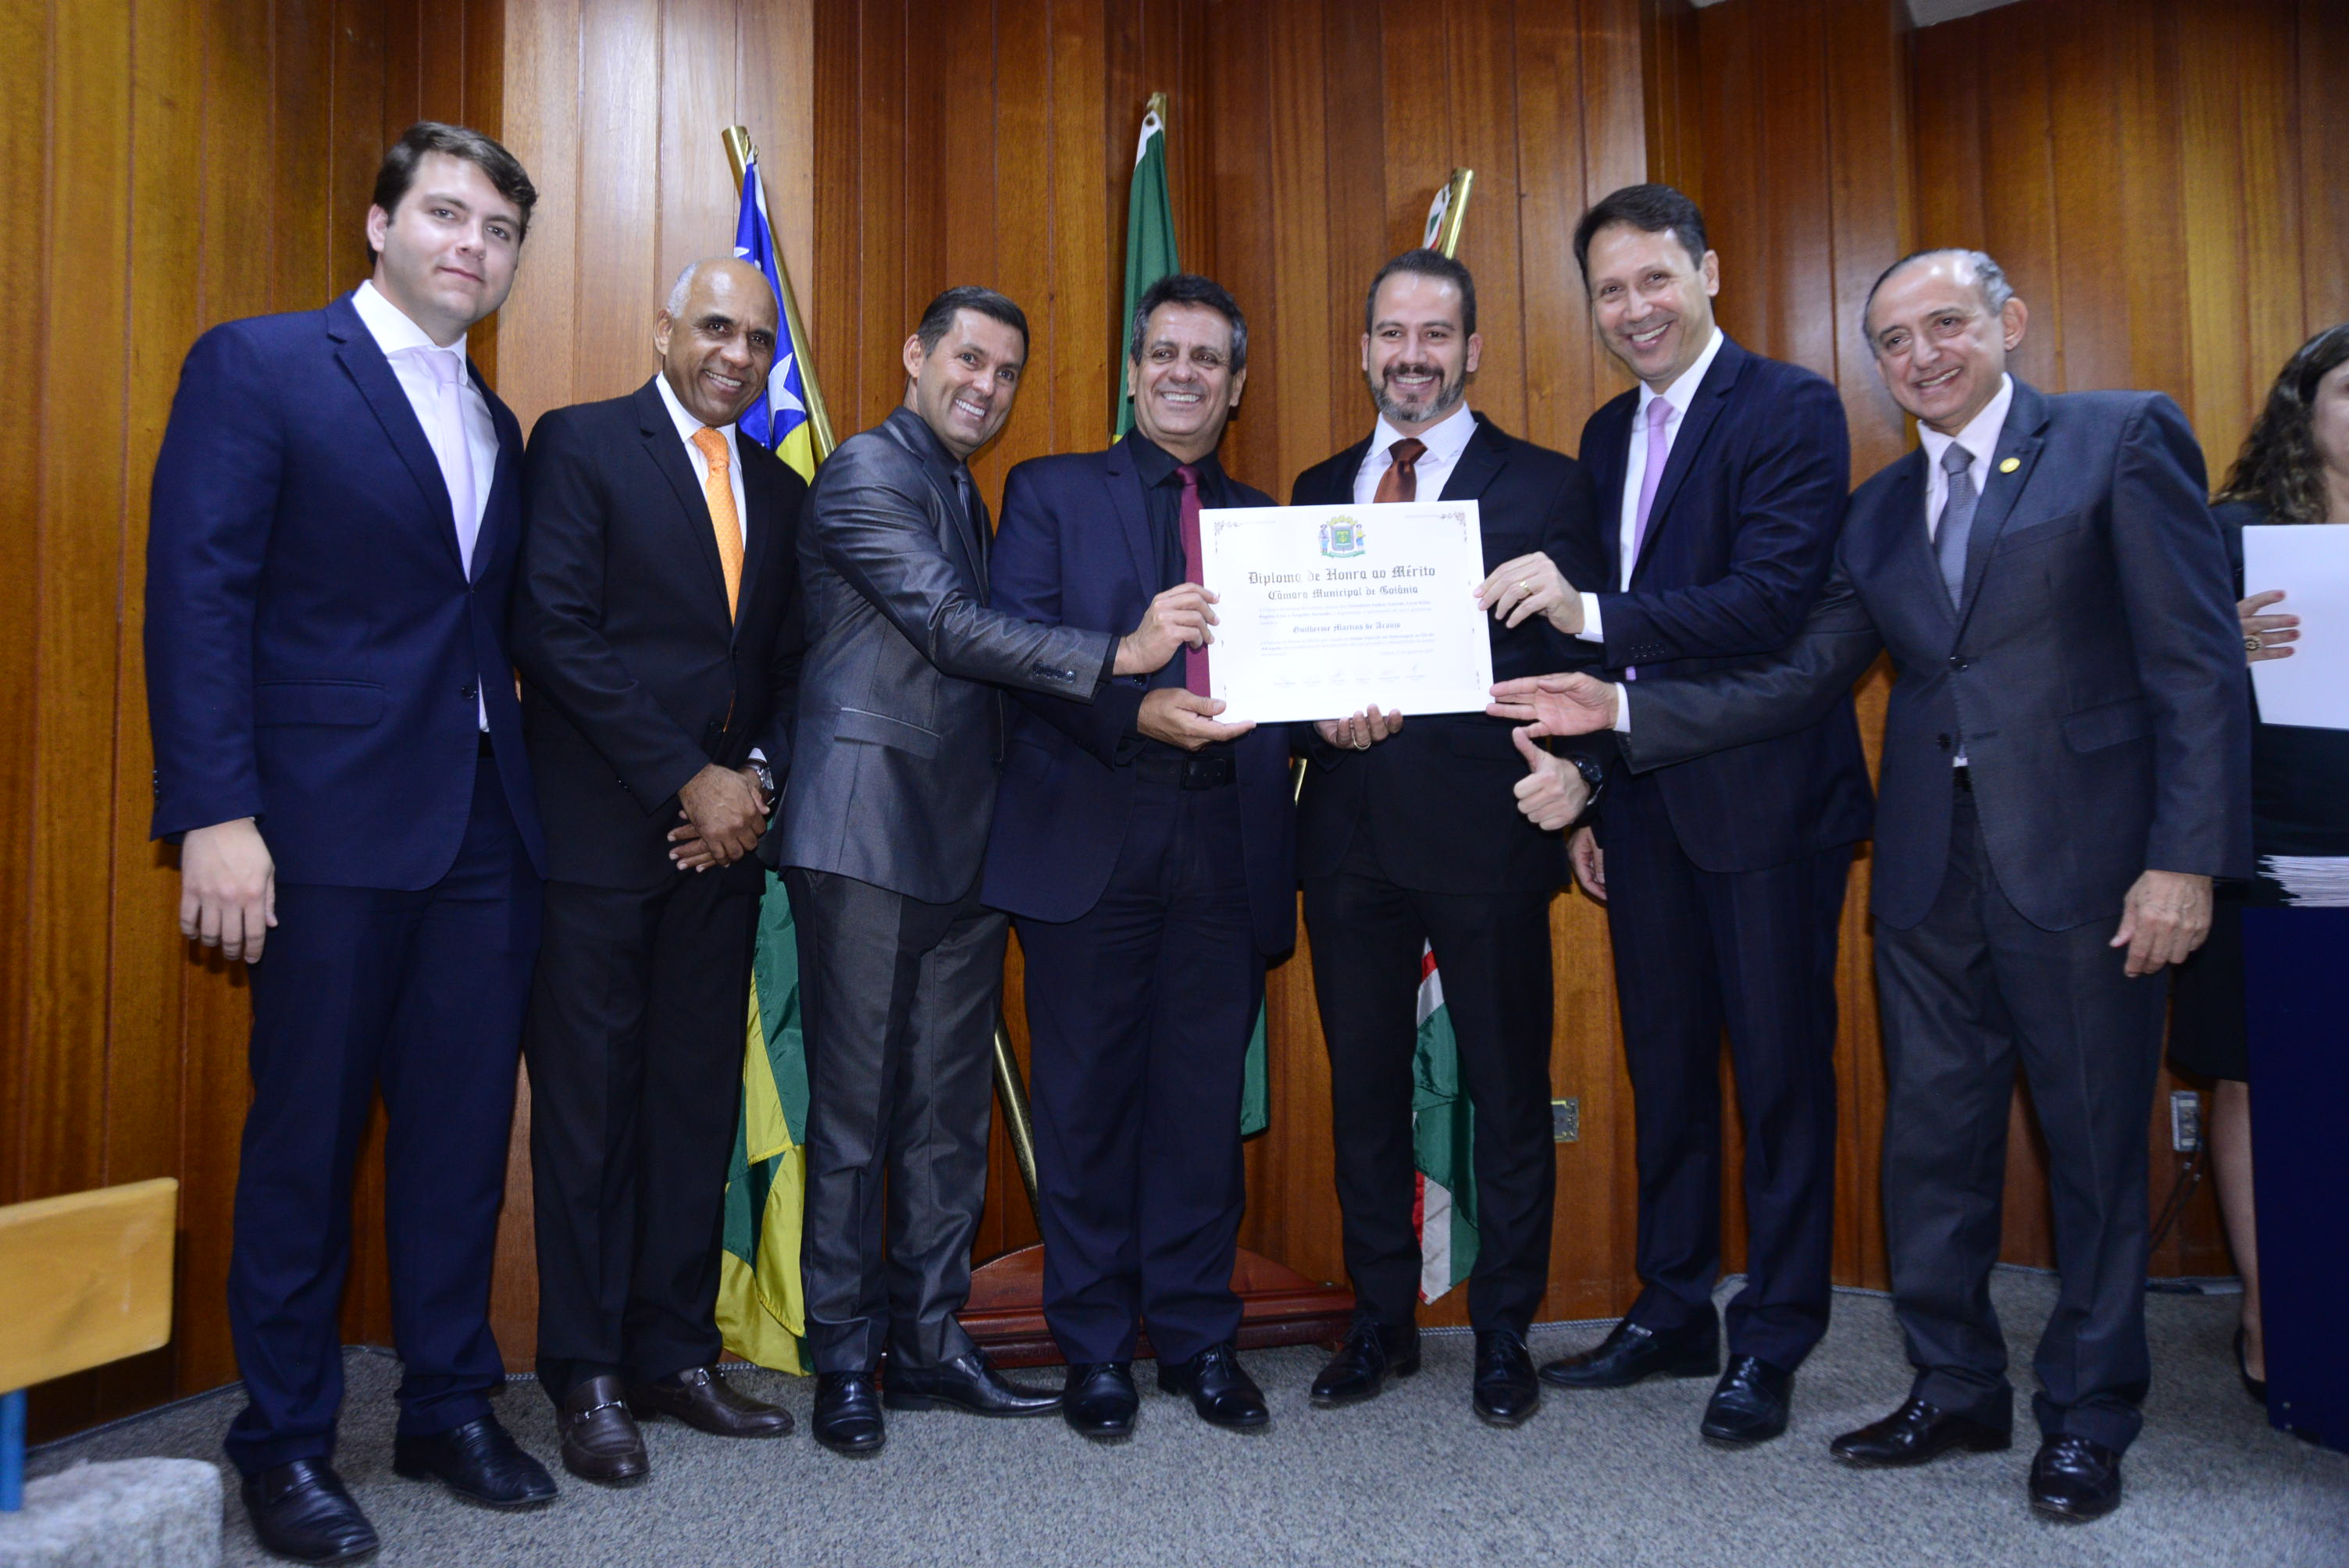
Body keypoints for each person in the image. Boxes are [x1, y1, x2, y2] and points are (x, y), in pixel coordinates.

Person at [1493, 249, 2247, 1522]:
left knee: (2093, 1151)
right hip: (1924, 872)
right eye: (1894, 341)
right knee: (1932, 1148)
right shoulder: (1884, 507)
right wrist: (1617, 711)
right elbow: (1803, 676)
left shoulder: (2118, 439)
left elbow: (2197, 661)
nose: (1921, 356)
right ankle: (1955, 1386)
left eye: (1946, 325)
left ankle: (2089, 1413)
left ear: (2009, 322)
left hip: (2087, 867)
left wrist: (2184, 861)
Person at [146, 123, 558, 1563]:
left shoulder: (494, 419)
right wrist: (215, 813)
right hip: (316, 828)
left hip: (484, 833)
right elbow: (198, 594)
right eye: (445, 214)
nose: (471, 247)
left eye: (498, 231)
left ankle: (447, 1407)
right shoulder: (259, 365)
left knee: (458, 1140)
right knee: (306, 1146)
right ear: (379, 224)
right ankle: (283, 1443)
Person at [779, 286, 1209, 1455]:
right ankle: (843, 1359)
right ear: (915, 355)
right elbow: (948, 626)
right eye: (968, 359)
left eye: (1007, 371)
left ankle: (928, 1343)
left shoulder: (960, 488)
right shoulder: (867, 471)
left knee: (944, 1116)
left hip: (971, 845)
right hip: (866, 833)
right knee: (857, 1116)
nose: (986, 386)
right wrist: (1123, 653)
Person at [1479, 184, 1869, 1446]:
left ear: (1708, 273)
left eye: (1655, 278)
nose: (1635, 307)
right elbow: (1613, 666)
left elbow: (1768, 601)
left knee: (1781, 1080)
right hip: (1644, 806)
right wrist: (1594, 787)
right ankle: (1672, 1308)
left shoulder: (1792, 407)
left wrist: (1585, 611)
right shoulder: (1607, 433)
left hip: (1767, 806)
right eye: (1611, 289)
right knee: (1667, 1072)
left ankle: (1775, 1335)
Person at [508, 258, 807, 1483]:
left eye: (755, 338)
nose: (735, 354)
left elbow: (789, 667)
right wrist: (688, 776)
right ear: (665, 330)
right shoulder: (580, 445)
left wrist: (753, 784)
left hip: (723, 852)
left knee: (691, 1108)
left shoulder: (783, 491)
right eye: (714, 328)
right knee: (590, 1117)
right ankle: (584, 1372)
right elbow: (552, 631)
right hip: (599, 843)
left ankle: (672, 1355)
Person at [1291, 249, 1599, 1429]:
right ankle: (1381, 1321)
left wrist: (1588, 785)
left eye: (1434, 335)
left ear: (1471, 350)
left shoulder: (1549, 486)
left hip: (1489, 838)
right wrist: (1315, 717)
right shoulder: (1319, 486)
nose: (1410, 356)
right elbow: (1288, 665)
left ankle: (1505, 1329)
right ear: (1364, 349)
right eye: (1391, 334)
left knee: (1509, 1093)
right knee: (1363, 1094)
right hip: (1348, 841)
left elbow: (1592, 666)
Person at [980, 275, 1291, 1440]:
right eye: (1164, 352)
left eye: (1207, 358)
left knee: (1203, 1109)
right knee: (1087, 1106)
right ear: (1131, 369)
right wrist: (1134, 704)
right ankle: (1098, 1349)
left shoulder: (1267, 524)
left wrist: (1353, 711)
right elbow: (1017, 649)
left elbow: (1294, 685)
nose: (1182, 374)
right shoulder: (1050, 491)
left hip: (1228, 839)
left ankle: (1201, 1341)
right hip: (1092, 831)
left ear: (1236, 383)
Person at [2169, 321, 2349, 1404]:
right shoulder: (2231, 533)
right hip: (2268, 852)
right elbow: (2153, 674)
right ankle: (2266, 1315)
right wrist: (2218, 641)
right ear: (2304, 412)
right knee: (2256, 1075)